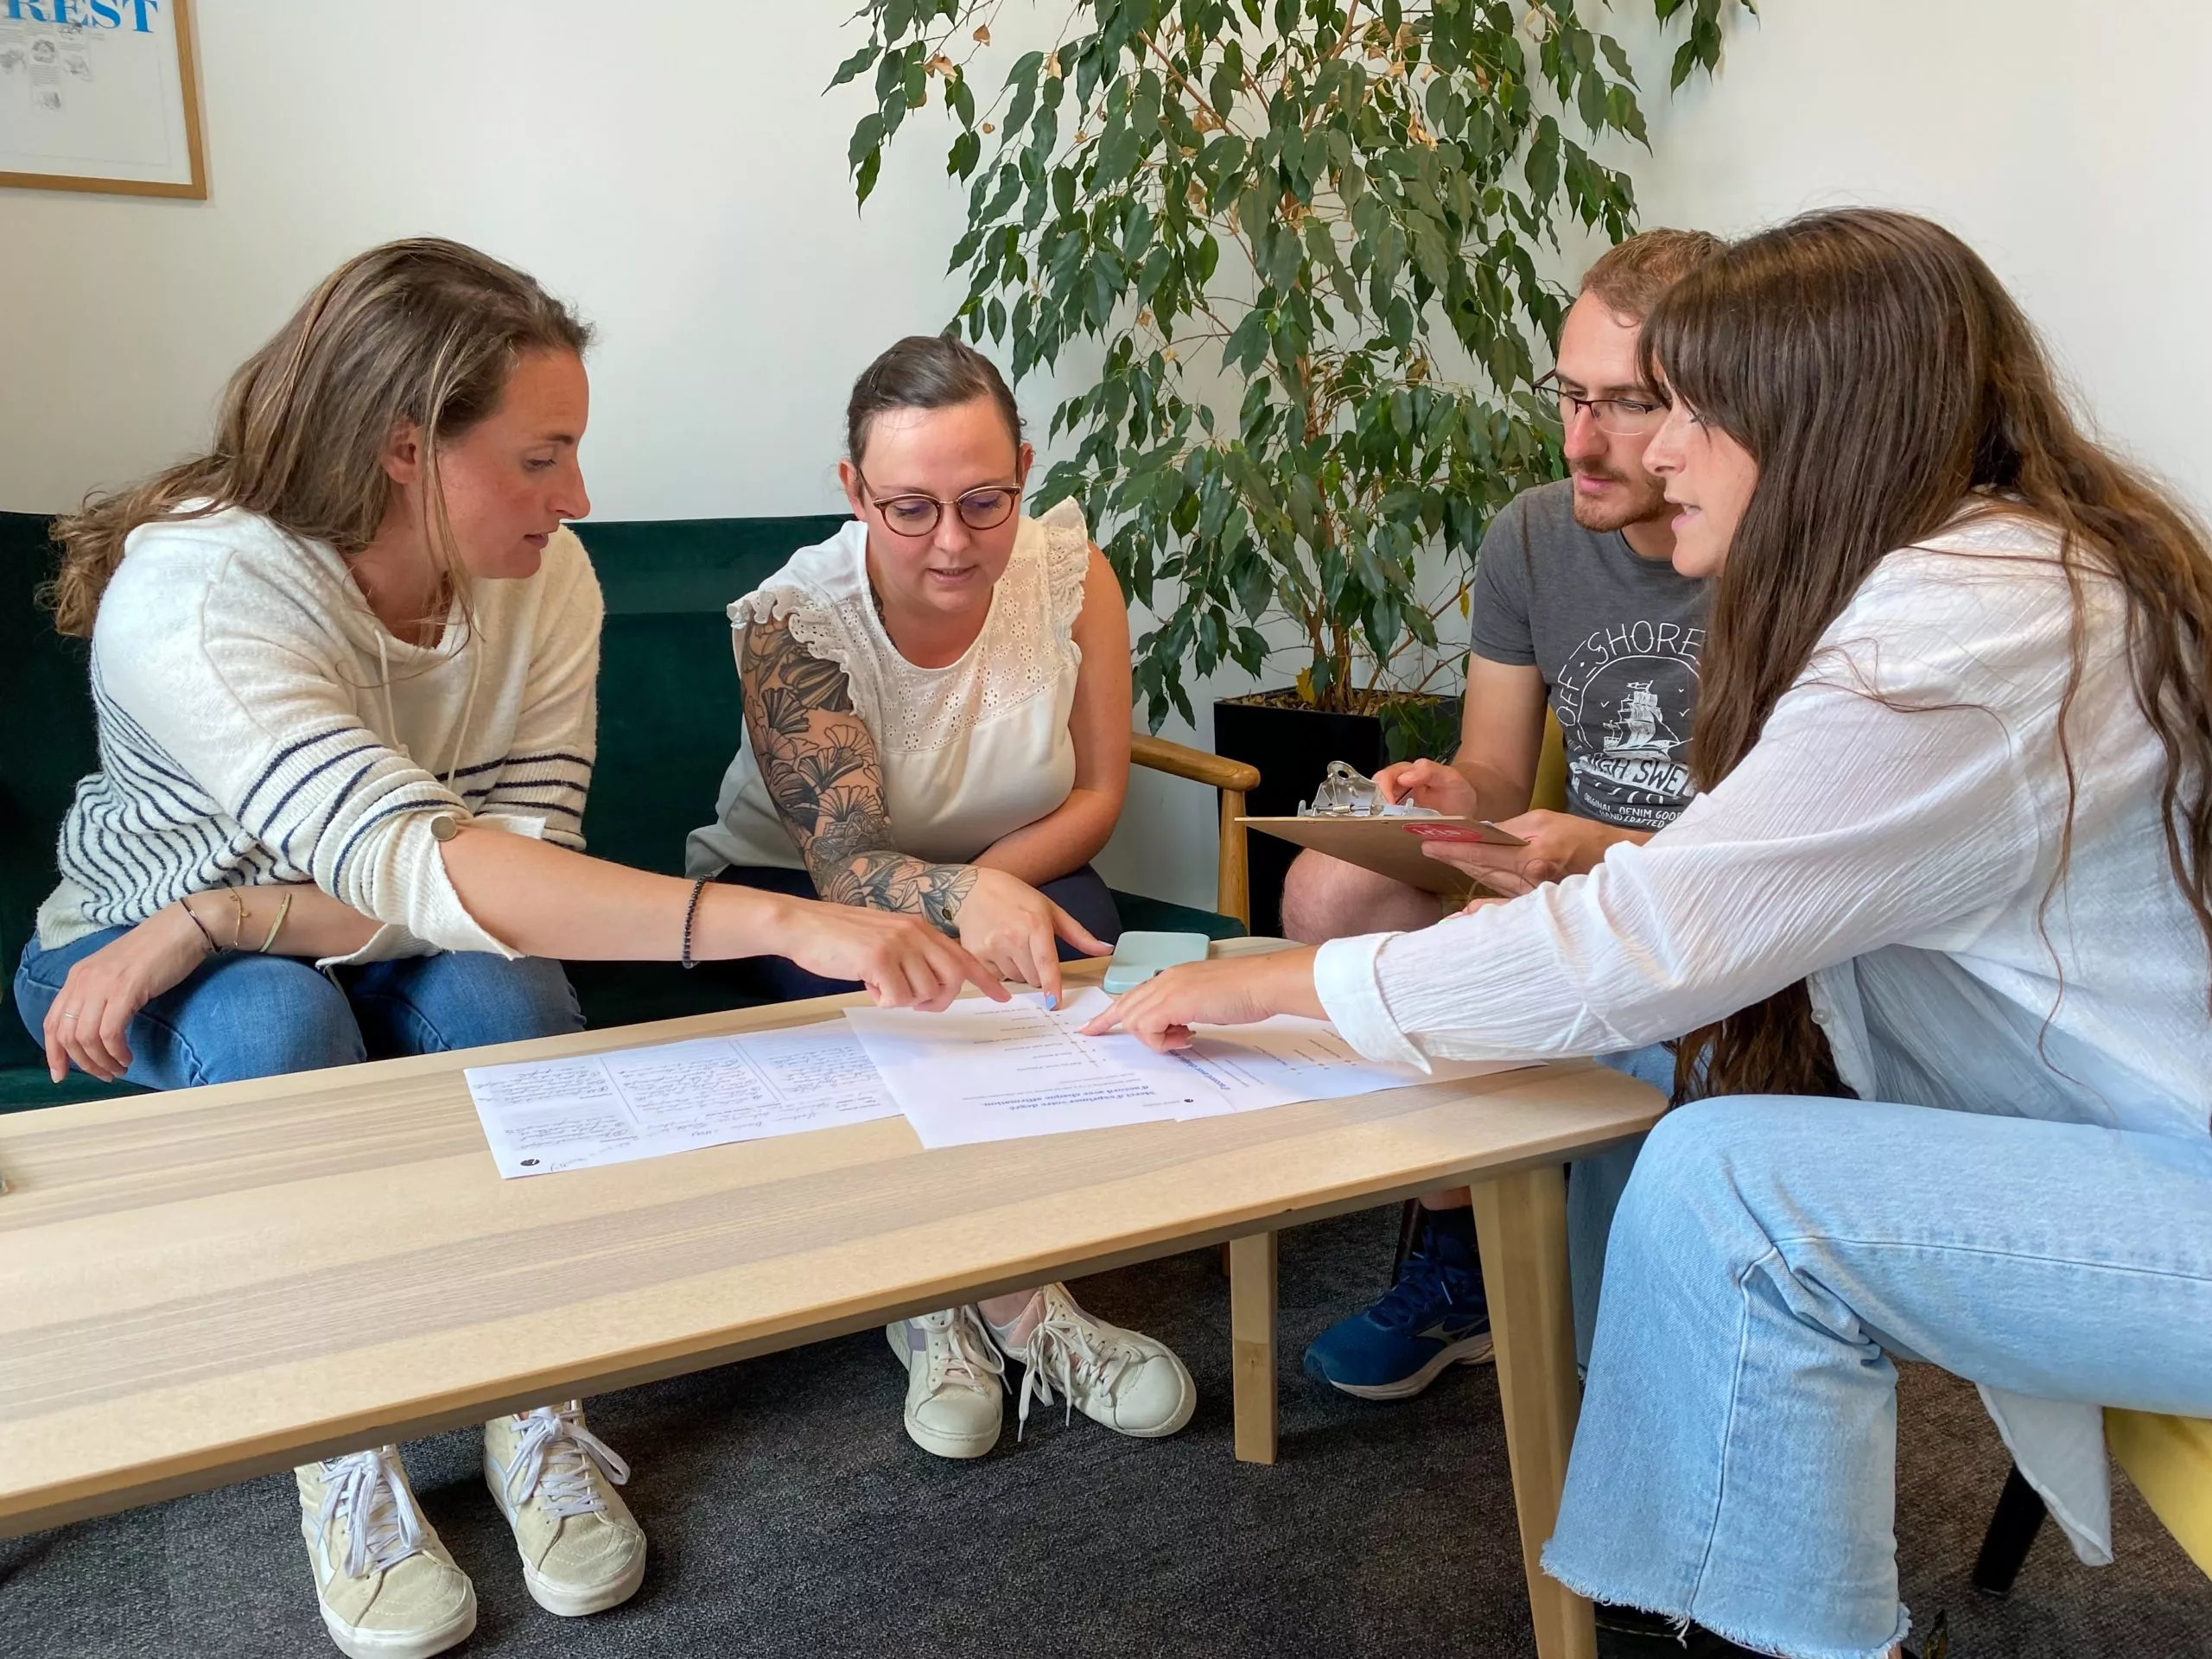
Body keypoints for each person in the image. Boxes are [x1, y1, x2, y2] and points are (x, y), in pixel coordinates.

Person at [1084, 207, 2212, 1659]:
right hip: (2125, 1138)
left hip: (2172, 1178)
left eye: (1683, 409)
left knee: (1733, 1187)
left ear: (1819, 422)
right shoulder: (1986, 572)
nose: (1649, 450)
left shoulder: (1964, 635)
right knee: (1702, 1137)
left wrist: (1275, 978)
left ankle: (1723, 1614)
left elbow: (1660, 928)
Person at [14, 241, 1000, 1659]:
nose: (579, 497)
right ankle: (340, 1442)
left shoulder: (548, 582)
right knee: (278, 1026)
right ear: (407, 450)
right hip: (129, 945)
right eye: (544, 459)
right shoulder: (201, 590)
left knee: (510, 986)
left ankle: (533, 1396)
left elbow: (503, 879)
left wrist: (233, 911)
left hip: (307, 923)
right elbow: (428, 861)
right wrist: (788, 915)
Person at [685, 333, 1195, 1462]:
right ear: (853, 491)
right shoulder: (793, 623)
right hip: (799, 889)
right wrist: (966, 899)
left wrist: (992, 887)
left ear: (1024, 465)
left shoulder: (1071, 573)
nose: (955, 542)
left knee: (1081, 938)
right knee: (907, 990)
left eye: (985, 500)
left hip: (1013, 852)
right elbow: (845, 865)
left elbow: (1101, 791)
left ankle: (1009, 1278)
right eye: (910, 508)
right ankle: (966, 1303)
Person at [1287, 228, 1720, 1402]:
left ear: (1715, 410)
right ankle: (1463, 1248)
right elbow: (1494, 765)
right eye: (1570, 395)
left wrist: (1606, 849)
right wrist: (1446, 798)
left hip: (1704, 913)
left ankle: (1622, 1322)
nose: (1580, 440)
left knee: (1655, 1007)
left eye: (1627, 406)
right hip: (1561, 880)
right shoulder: (1534, 532)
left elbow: (1777, 869)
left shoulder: (1773, 550)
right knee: (1333, 886)